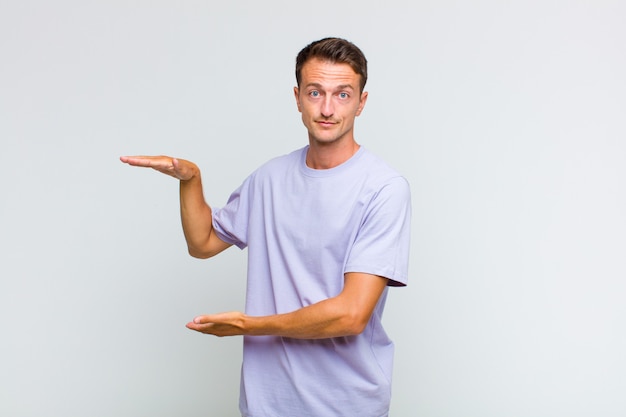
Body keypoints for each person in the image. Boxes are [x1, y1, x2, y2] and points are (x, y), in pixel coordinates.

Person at [121, 37, 411, 417]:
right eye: (315, 92)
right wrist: (191, 180)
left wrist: (247, 324)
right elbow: (203, 242)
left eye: (342, 94)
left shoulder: (384, 189)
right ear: (297, 98)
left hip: (345, 405)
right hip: (265, 404)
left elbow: (351, 315)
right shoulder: (269, 179)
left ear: (362, 102)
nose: (327, 108)